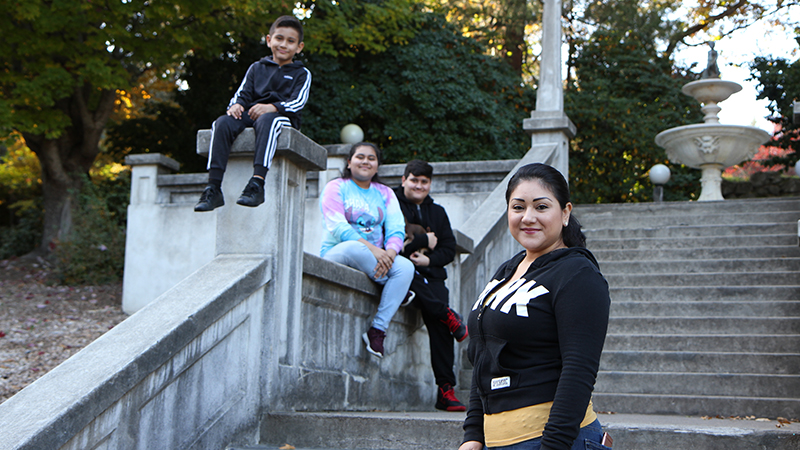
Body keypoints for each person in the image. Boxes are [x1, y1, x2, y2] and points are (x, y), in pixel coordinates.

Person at [460, 163, 611, 450]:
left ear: (565, 212)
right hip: (497, 441)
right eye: (518, 207)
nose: (528, 217)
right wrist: (473, 436)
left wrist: (552, 446)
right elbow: (483, 357)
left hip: (553, 440)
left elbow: (579, 370)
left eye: (541, 207)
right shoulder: (507, 271)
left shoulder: (578, 274)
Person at [195, 15, 312, 212]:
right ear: (269, 40)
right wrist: (236, 106)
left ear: (299, 47)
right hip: (253, 113)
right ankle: (213, 187)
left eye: (290, 41)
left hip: (281, 117)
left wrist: (273, 107)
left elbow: (298, 102)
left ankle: (257, 183)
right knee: (222, 123)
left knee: (268, 121)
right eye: (279, 38)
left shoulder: (302, 73)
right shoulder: (256, 68)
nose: (284, 44)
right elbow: (242, 93)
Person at [320, 142, 414, 358]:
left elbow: (396, 228)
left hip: (377, 257)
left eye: (371, 158)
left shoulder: (385, 193)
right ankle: (397, 291)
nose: (365, 161)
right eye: (360, 157)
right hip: (339, 251)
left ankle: (378, 330)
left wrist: (390, 253)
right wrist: (374, 249)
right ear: (349, 162)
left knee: (406, 266)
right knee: (356, 248)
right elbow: (338, 226)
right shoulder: (337, 187)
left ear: (378, 165)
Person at [393, 160, 469, 412]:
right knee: (442, 314)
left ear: (429, 184)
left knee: (440, 325)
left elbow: (449, 248)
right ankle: (449, 315)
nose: (419, 185)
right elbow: (394, 241)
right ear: (404, 180)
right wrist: (425, 240)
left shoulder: (437, 212)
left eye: (424, 182)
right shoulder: (391, 203)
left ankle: (445, 390)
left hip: (431, 275)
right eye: (414, 180)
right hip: (401, 272)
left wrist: (429, 258)